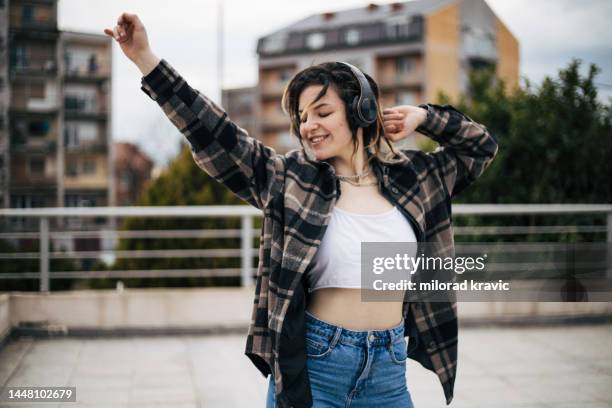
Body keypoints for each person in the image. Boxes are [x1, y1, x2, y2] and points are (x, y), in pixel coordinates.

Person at [105, 12, 498, 408]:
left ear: (361, 111)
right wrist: (146, 60)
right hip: (315, 366)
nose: (309, 125)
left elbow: (481, 147)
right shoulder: (291, 179)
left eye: (323, 112)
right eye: (303, 116)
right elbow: (215, 134)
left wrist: (426, 118)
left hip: (388, 369)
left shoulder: (417, 177)